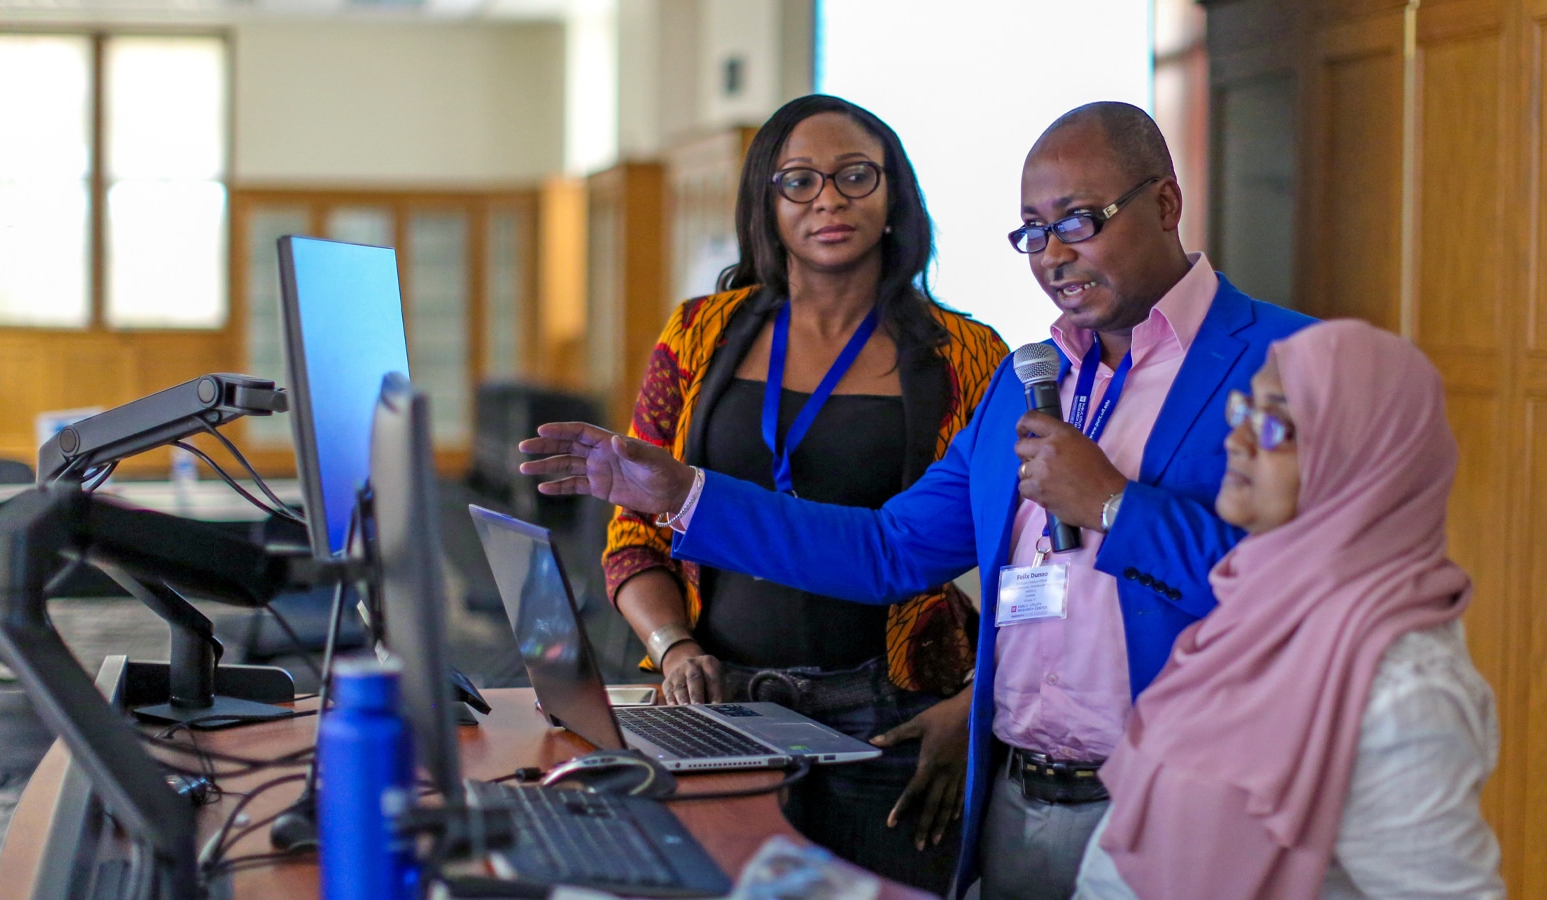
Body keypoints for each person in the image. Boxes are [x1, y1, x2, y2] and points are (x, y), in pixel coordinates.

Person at [521, 101, 1315, 900]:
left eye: (1079, 222)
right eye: (1033, 232)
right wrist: (685, 493)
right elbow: (888, 550)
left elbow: (1312, 593)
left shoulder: (1289, 363)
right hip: (1020, 798)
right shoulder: (1032, 381)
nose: (1053, 257)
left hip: (1177, 803)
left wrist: (1115, 506)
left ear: (1166, 204)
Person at [603, 94, 1009, 894]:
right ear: (766, 202)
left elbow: (1028, 558)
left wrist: (977, 707)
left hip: (894, 717)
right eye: (799, 181)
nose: (829, 198)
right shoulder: (695, 336)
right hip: (718, 704)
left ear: (895, 195)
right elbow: (633, 532)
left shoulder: (970, 356)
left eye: (856, 175)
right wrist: (672, 647)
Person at [1074, 320, 1503, 899]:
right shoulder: (1256, 611)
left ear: (1360, 462)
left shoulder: (1399, 686)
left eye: (1277, 425)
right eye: (1243, 410)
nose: (1238, 440)